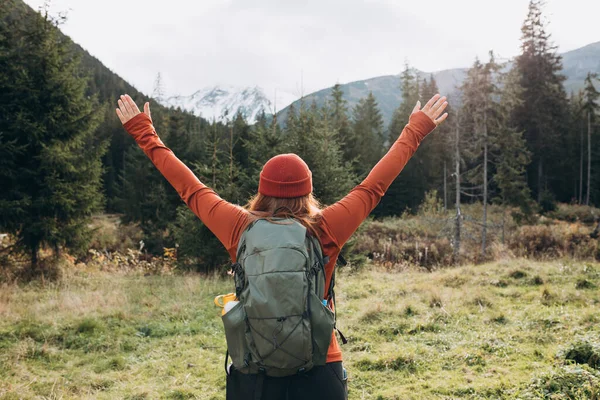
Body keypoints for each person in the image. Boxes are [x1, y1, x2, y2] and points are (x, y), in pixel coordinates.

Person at [116, 93, 448, 400]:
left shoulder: (238, 226)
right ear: (308, 192)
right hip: (319, 363)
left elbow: (189, 188)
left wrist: (143, 131)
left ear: (262, 189)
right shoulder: (326, 228)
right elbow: (374, 186)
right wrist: (416, 129)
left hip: (253, 367)